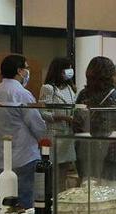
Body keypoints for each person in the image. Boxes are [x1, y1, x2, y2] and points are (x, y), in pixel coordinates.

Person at [74, 56, 116, 191]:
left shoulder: (83, 95)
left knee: (89, 191)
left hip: (86, 149)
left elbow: (77, 122)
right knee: (113, 193)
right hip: (113, 151)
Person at [0, 54, 47, 208]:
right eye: (26, 68)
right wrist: (44, 140)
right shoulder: (22, 94)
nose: (27, 71)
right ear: (19, 71)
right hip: (25, 156)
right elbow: (37, 125)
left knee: (4, 202)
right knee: (25, 202)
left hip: (1, 155)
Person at [39, 57, 77, 191]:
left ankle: (61, 201)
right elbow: (43, 112)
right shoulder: (48, 88)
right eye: (67, 68)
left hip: (68, 135)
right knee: (54, 175)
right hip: (55, 134)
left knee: (64, 174)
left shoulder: (70, 88)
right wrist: (62, 117)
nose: (70, 71)